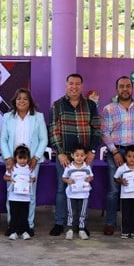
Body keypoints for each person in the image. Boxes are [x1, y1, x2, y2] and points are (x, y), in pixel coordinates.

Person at [48, 73, 101, 236]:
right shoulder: (57, 105)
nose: (74, 86)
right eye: (71, 83)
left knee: (83, 187)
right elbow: (53, 130)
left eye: (77, 83)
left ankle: (80, 223)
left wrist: (92, 151)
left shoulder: (91, 105)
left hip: (83, 157)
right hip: (65, 156)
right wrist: (60, 153)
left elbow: (96, 128)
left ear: (82, 86)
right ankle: (59, 223)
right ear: (66, 85)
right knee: (62, 187)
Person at [101, 76, 134, 236]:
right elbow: (104, 132)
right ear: (117, 89)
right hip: (115, 152)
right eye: (121, 86)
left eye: (128, 86)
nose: (125, 89)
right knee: (114, 189)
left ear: (132, 88)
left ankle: (133, 225)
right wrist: (114, 151)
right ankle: (110, 223)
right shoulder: (108, 109)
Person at [0, 88, 48, 236]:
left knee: (30, 194)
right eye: (19, 98)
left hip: (31, 162)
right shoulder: (8, 117)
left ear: (30, 102)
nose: (22, 101)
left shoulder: (38, 117)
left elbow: (43, 139)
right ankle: (12, 225)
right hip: (12, 162)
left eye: (25, 98)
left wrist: (36, 158)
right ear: (15, 101)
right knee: (12, 193)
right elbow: (3, 139)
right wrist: (8, 157)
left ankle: (28, 225)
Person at [3, 145, 36, 240]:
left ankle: (24, 231)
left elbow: (33, 178)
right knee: (14, 215)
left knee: (24, 215)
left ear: (28, 158)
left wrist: (32, 180)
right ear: (15, 158)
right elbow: (5, 177)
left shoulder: (29, 169)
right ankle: (14, 231)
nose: (22, 161)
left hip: (25, 197)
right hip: (14, 197)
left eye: (24, 158)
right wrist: (10, 179)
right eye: (20, 158)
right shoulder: (13, 168)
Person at [61, 145, 94, 240]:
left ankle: (81, 229)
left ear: (85, 156)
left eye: (82, 155)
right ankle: (70, 229)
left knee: (82, 213)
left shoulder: (87, 167)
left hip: (84, 194)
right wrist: (68, 181)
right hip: (71, 194)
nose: (79, 157)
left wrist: (89, 179)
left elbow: (91, 177)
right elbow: (63, 177)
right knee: (71, 212)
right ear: (72, 155)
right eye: (77, 155)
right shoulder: (69, 167)